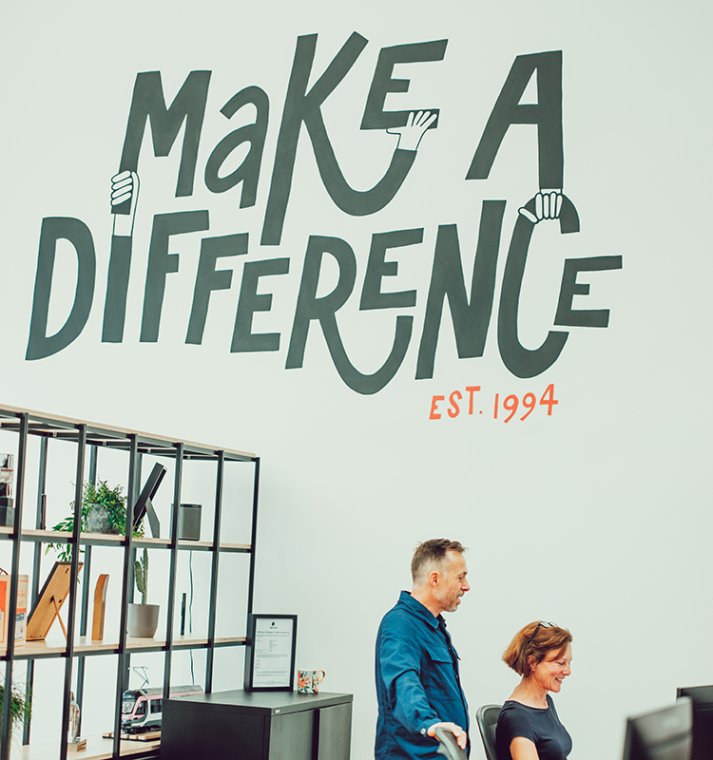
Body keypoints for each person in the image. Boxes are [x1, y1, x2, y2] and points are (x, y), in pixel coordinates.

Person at [375, 538, 471, 758]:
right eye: (460, 577)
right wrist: (429, 724)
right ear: (435, 579)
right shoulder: (400, 625)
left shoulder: (434, 627)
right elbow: (402, 682)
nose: (466, 586)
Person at [495, 621, 573, 760]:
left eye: (569, 663)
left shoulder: (545, 701)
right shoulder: (517, 718)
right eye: (561, 663)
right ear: (533, 662)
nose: (568, 671)